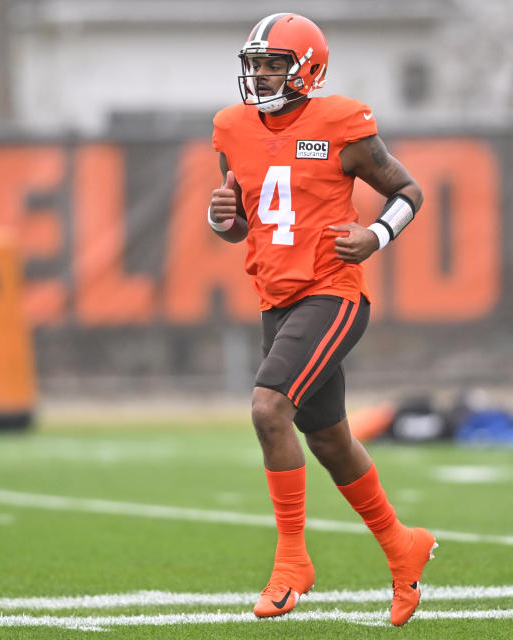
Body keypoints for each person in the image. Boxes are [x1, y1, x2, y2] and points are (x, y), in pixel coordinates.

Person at [208, 13, 436, 627]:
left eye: (273, 63)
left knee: (267, 406)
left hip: (333, 293)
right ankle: (402, 546)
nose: (258, 75)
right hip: (275, 300)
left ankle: (291, 561)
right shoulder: (232, 129)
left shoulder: (341, 124)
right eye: (254, 63)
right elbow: (239, 229)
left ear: (306, 69)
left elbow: (408, 191)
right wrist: (219, 216)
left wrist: (377, 234)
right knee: (331, 439)